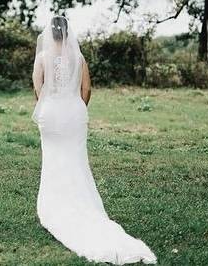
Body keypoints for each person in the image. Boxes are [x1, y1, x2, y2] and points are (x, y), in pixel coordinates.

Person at [33, 14, 157, 263]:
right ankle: (81, 205)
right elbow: (87, 89)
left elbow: (39, 89)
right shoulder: (78, 58)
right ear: (68, 33)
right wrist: (78, 108)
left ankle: (55, 208)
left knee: (54, 160)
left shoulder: (43, 58)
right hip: (75, 114)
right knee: (76, 161)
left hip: (52, 115)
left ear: (50, 34)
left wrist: (51, 109)